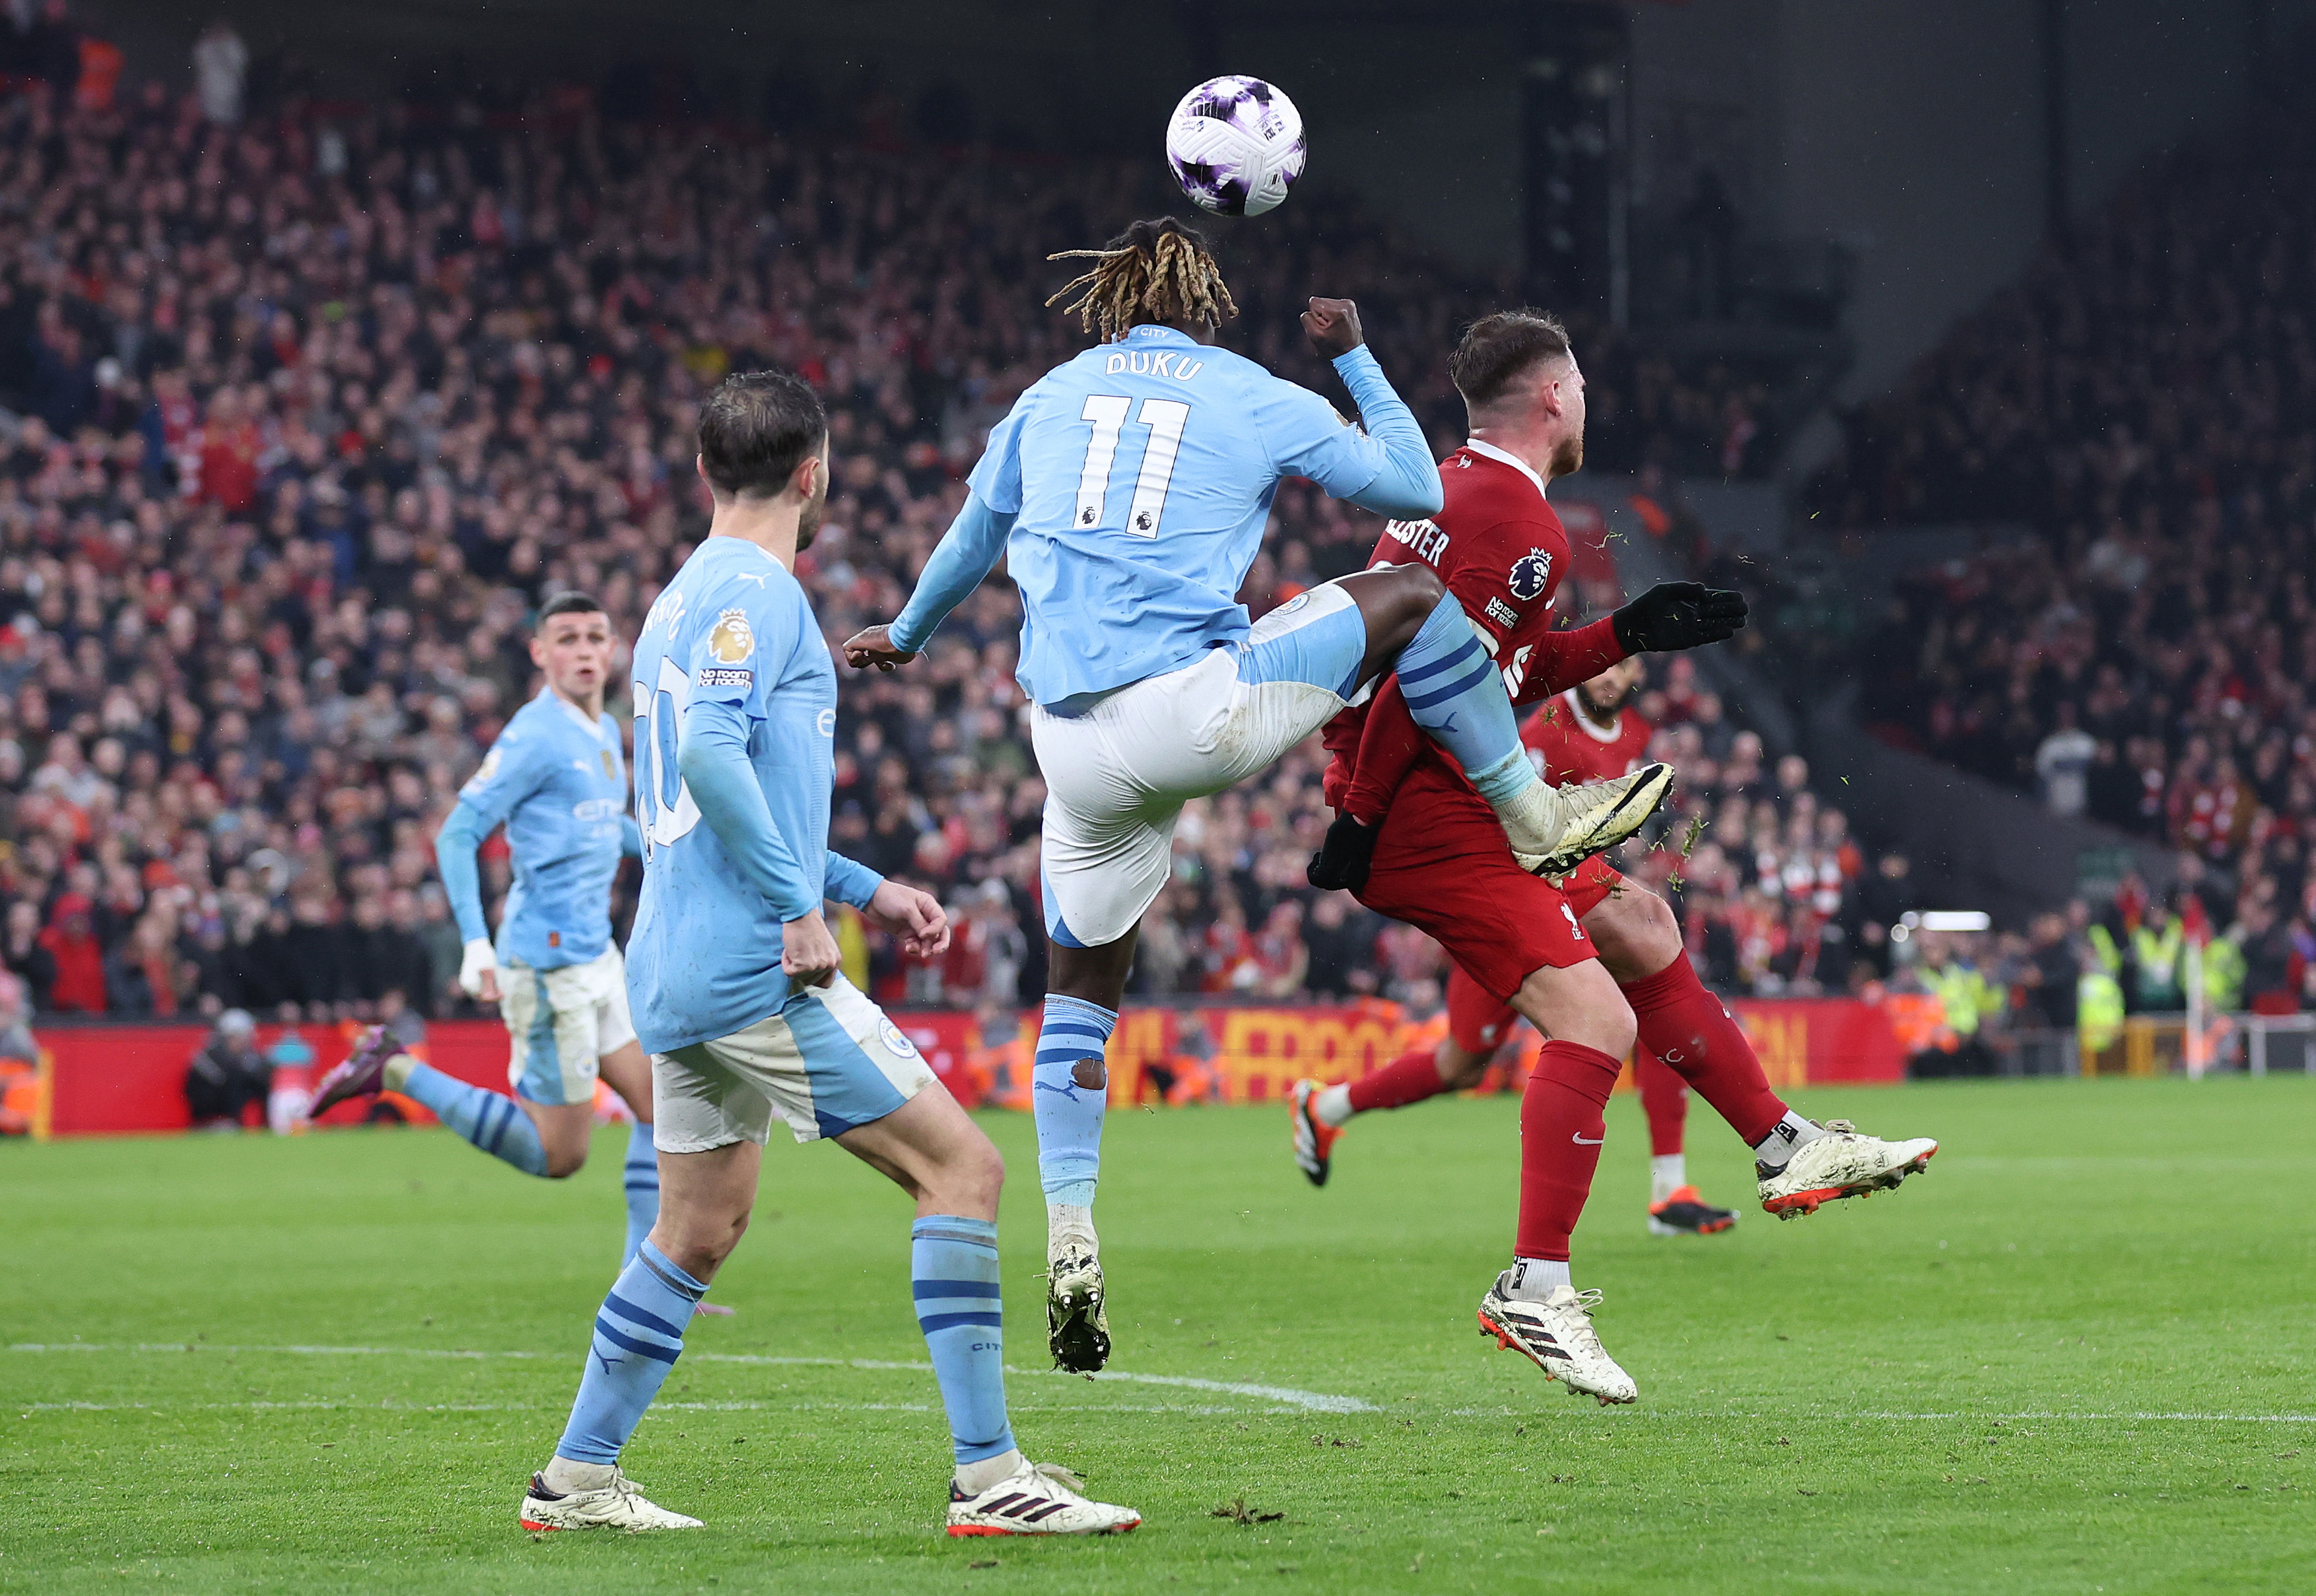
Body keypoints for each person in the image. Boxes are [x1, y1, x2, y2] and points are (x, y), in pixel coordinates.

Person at [842, 219, 1670, 1374]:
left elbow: (975, 532)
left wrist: (909, 632)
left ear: (1111, 304)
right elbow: (1408, 482)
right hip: (1193, 709)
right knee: (1411, 595)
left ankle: (1072, 1228)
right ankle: (1532, 809)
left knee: (1080, 989)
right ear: (1209, 302)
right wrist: (1353, 357)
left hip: (1067, 743)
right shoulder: (1246, 388)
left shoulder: (1049, 392)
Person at [518, 370, 1139, 1537]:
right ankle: (988, 1474)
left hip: (670, 967)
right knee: (963, 1173)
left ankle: (575, 1478)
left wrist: (863, 886)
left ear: (705, 474)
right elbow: (710, 757)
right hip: (757, 964)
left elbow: (723, 788)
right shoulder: (760, 596)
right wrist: (801, 907)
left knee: (696, 1226)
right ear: (815, 472)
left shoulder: (675, 599)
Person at [1289, 310, 1936, 1404]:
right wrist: (1354, 816)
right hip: (1419, 804)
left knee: (1640, 921)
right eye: (1578, 383)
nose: (1586, 401)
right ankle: (1533, 1284)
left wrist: (1626, 632)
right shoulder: (1520, 522)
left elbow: (1483, 672)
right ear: (1550, 397)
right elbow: (1418, 683)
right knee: (1592, 1020)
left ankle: (1783, 1145)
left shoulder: (1446, 491)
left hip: (1430, 784)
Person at [308, 594, 665, 1274]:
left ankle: (645, 1279)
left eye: (596, 637)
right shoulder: (535, 735)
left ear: (613, 649)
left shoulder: (601, 733)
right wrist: (475, 942)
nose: (585, 651)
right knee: (560, 1156)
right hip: (547, 966)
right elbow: (458, 833)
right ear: (539, 653)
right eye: (567, 639)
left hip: (597, 957)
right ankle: (396, 1068)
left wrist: (663, 848)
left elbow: (597, 826)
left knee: (659, 1106)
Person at [184, 1009, 272, 1129]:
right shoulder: (207, 1063)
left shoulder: (249, 1061)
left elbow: (261, 1089)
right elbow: (199, 1099)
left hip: (234, 1124)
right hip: (207, 1124)